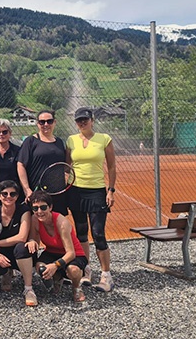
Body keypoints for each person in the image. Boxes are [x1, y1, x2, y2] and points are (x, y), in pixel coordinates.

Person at [66, 107, 117, 292]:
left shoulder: (104, 139)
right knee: (81, 233)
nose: (82, 123)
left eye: (85, 119)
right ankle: (86, 270)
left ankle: (106, 276)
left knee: (98, 234)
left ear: (92, 120)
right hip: (76, 191)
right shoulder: (71, 140)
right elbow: (67, 166)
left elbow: (111, 167)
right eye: (79, 120)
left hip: (96, 191)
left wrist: (110, 190)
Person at [27, 190, 88, 303]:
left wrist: (55, 265)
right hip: (51, 251)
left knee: (72, 270)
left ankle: (76, 288)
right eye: (35, 208)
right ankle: (58, 277)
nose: (39, 211)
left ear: (50, 207)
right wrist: (31, 240)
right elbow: (34, 239)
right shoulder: (35, 219)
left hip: (74, 254)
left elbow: (71, 253)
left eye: (43, 207)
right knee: (40, 267)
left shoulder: (61, 223)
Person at [0, 180, 37, 307]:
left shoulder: (24, 210)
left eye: (12, 194)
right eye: (4, 194)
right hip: (3, 253)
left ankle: (28, 289)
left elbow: (22, 237)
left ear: (17, 196)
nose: (9, 197)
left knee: (21, 248)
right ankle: (6, 272)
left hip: (19, 251)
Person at [17, 110, 69, 215]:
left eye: (49, 121)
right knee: (36, 226)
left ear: (54, 122)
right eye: (42, 122)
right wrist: (27, 189)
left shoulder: (59, 142)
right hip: (37, 193)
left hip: (56, 193)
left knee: (57, 225)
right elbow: (21, 165)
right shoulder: (30, 141)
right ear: (37, 124)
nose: (46, 124)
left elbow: (65, 165)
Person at [0, 118, 23, 209]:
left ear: (10, 133)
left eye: (4, 132)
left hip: (13, 194)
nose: (1, 135)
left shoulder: (18, 151)